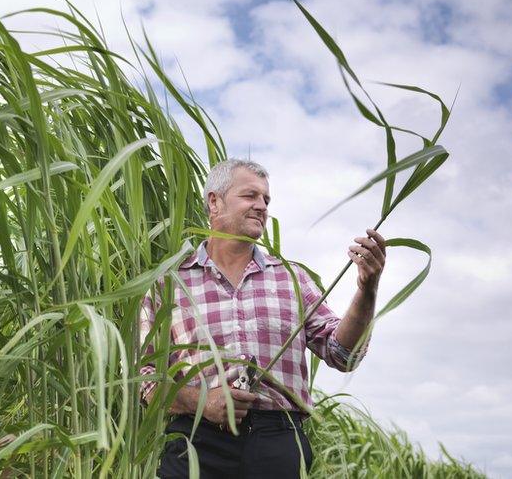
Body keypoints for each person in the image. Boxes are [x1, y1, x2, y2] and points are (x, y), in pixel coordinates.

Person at [138, 159, 386, 478]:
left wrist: (367, 289)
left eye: (266, 200)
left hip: (277, 444)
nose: (261, 206)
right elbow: (144, 377)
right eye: (250, 196)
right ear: (214, 201)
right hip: (196, 442)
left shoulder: (292, 279)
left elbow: (342, 354)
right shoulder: (170, 284)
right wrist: (200, 401)